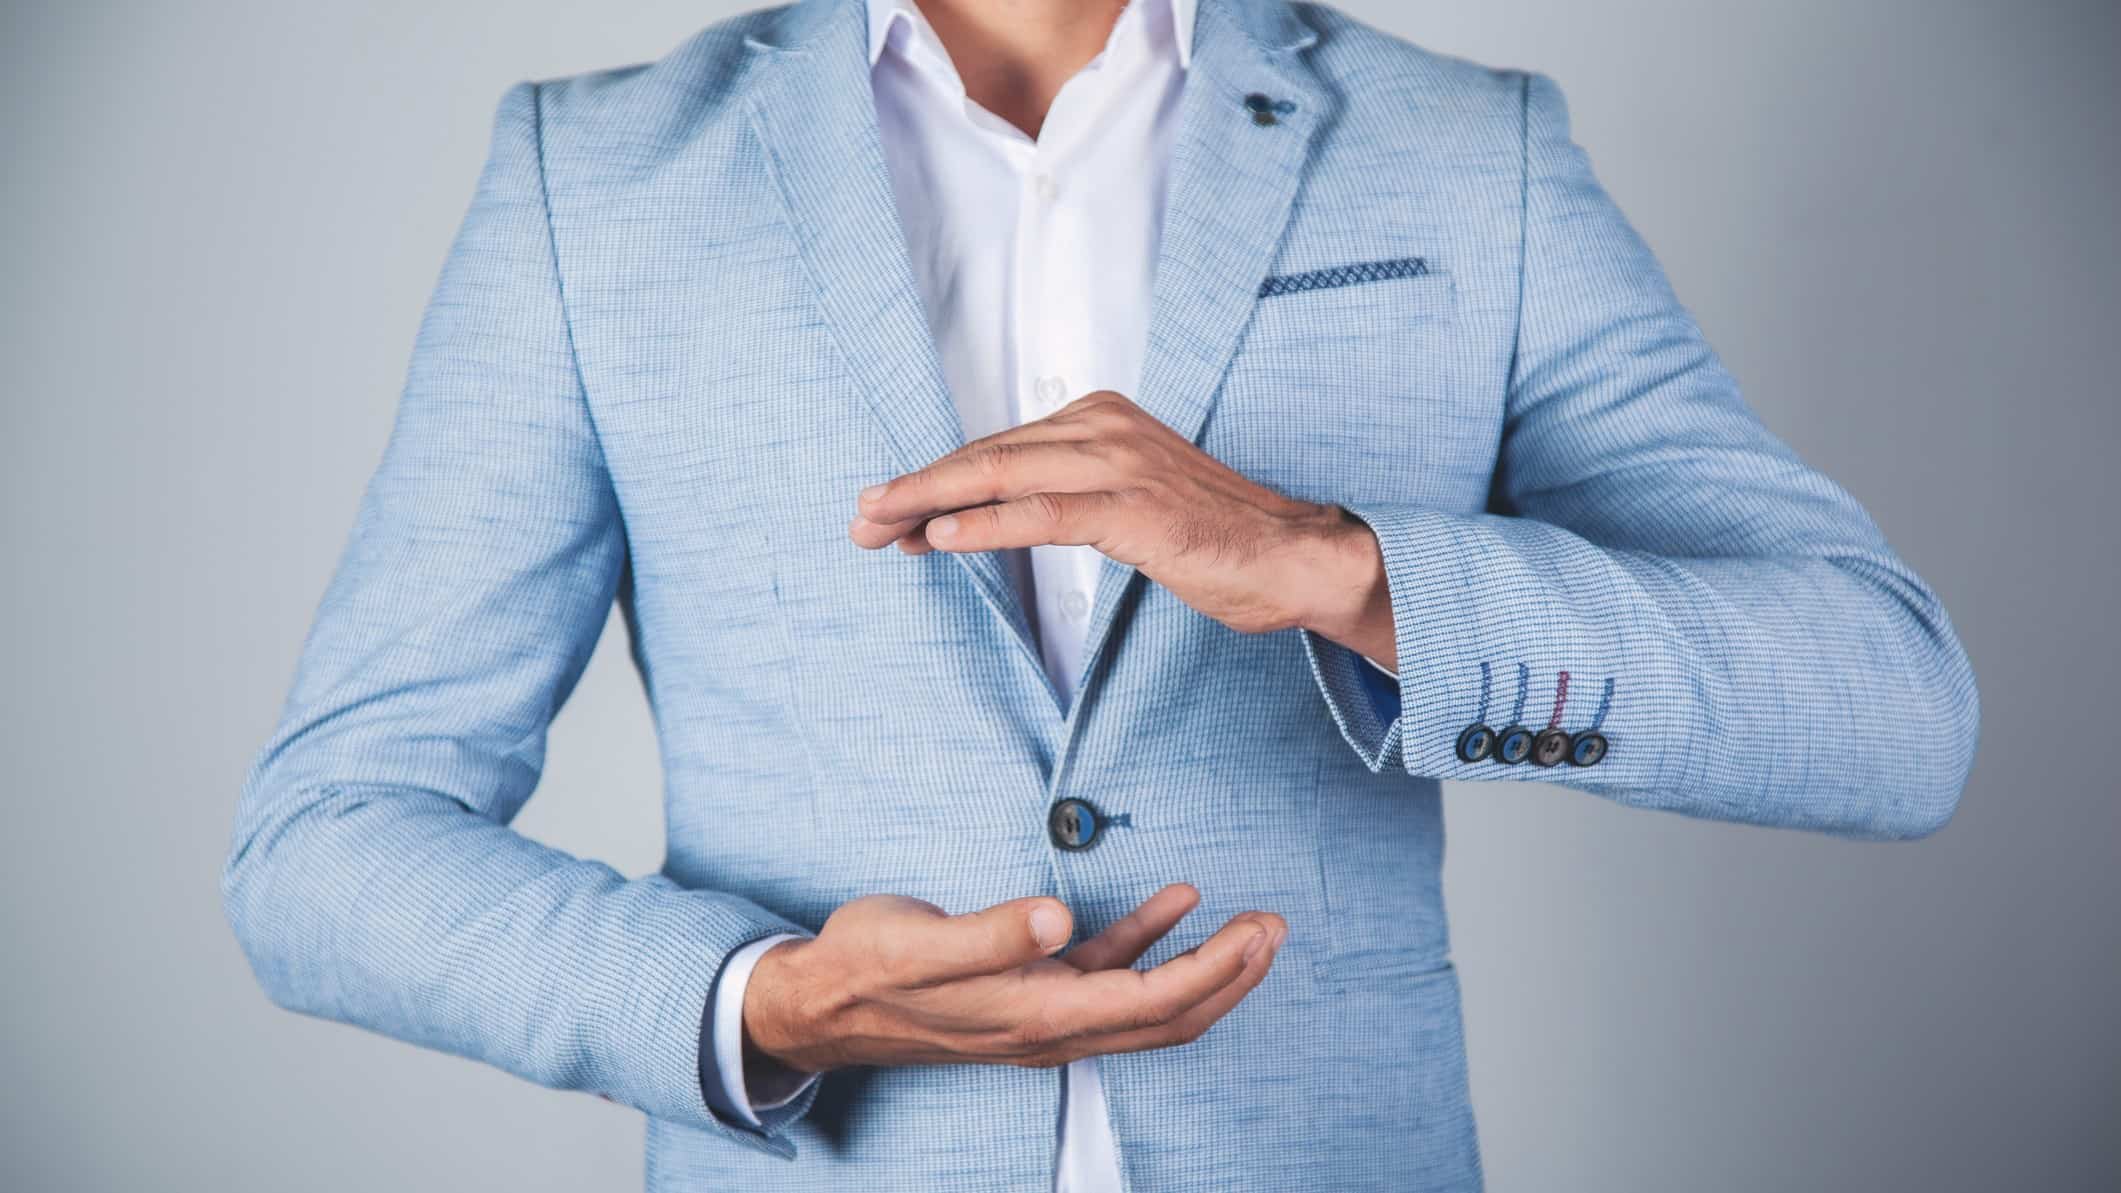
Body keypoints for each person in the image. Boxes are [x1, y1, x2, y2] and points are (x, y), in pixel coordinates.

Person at [221, 0, 1979, 1189]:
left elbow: (1890, 712)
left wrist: (1341, 570)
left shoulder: (1463, 152)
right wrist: (765, 1000)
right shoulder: (593, 176)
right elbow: (325, 847)